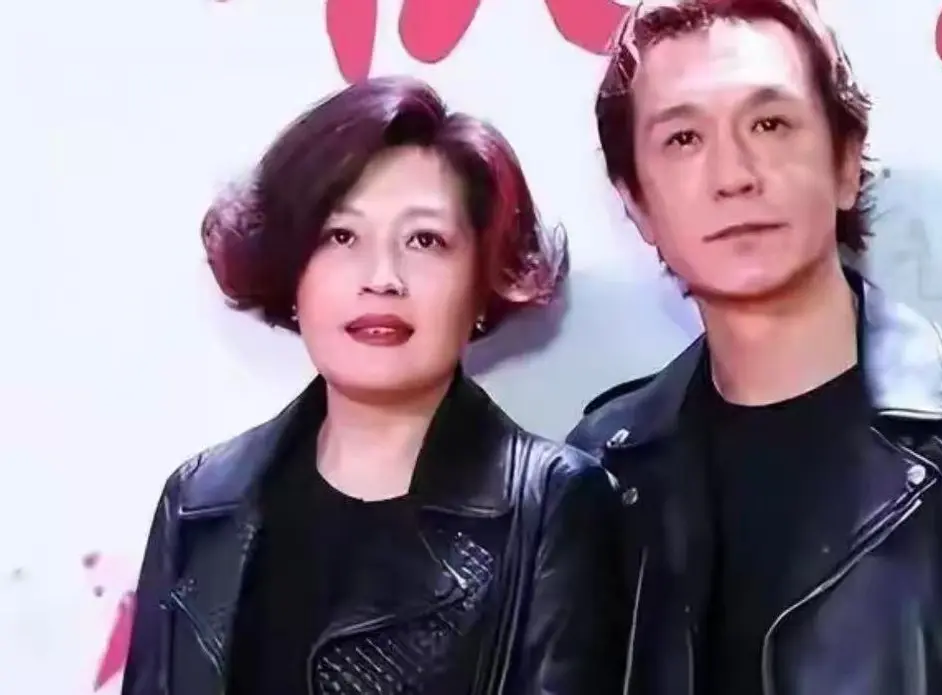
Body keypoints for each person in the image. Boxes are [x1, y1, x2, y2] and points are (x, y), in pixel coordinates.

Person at [567, 1, 942, 694]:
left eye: (770, 124)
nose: (733, 174)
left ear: (846, 162)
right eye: (683, 138)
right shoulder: (604, 467)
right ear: (637, 202)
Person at [121, 76, 628, 695]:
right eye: (341, 237)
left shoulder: (554, 505)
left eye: (424, 240)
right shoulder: (200, 501)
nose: (382, 277)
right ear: (293, 271)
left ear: (481, 281)